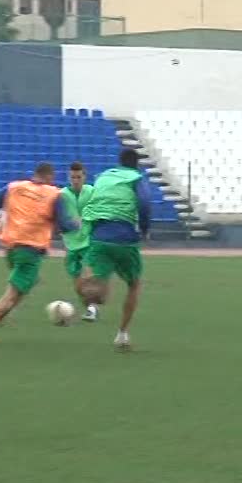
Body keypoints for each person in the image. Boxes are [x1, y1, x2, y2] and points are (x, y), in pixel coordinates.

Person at [0, 162, 78, 347]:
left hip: (11, 248)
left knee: (25, 284)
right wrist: (78, 224)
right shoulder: (54, 194)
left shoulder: (14, 187)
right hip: (30, 250)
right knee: (11, 296)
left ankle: (1, 314)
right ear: (50, 177)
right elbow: (65, 225)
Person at [78, 148, 152, 352]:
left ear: (119, 162)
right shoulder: (136, 177)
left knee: (92, 280)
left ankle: (92, 300)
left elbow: (91, 201)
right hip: (125, 238)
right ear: (136, 164)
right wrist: (144, 229)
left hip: (99, 236)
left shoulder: (103, 177)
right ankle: (122, 333)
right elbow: (145, 203)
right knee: (134, 284)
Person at [59, 161, 98, 322]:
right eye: (73, 177)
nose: (75, 180)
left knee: (88, 276)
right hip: (70, 243)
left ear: (84, 177)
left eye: (78, 177)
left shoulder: (91, 191)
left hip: (89, 241)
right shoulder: (62, 195)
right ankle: (90, 307)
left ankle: (92, 308)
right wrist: (66, 223)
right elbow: (57, 216)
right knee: (77, 284)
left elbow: (100, 209)